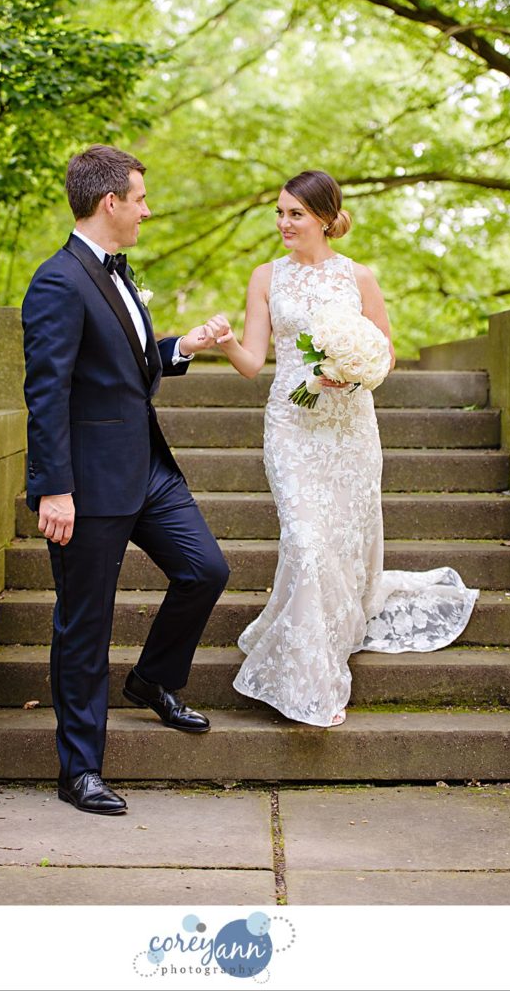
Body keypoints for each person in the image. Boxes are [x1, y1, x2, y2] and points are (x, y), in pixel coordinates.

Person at [213, 169, 478, 727]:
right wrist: (227, 341)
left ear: (326, 219)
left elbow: (385, 356)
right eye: (280, 213)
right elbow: (253, 363)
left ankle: (329, 637)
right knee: (308, 541)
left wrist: (350, 376)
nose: (284, 223)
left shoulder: (359, 277)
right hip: (291, 426)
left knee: (337, 546)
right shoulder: (265, 277)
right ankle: (312, 683)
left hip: (350, 429)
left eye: (295, 214)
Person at [22, 144, 230, 815]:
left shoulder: (116, 270)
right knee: (85, 625)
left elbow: (128, 364)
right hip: (86, 483)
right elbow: (47, 391)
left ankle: (152, 680)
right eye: (139, 198)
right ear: (110, 202)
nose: (147, 209)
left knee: (206, 570)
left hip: (148, 471)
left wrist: (181, 348)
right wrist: (54, 486)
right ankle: (79, 771)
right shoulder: (58, 280)